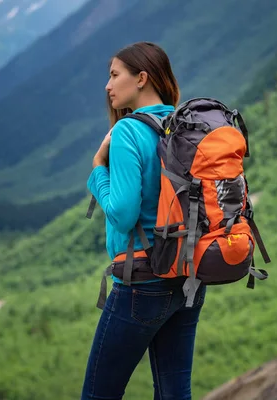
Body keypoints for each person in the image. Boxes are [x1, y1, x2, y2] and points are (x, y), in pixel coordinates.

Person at [81, 42, 207, 400]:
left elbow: (122, 215)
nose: (107, 85)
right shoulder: (186, 124)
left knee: (98, 394)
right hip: (189, 274)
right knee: (173, 392)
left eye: (114, 75)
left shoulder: (127, 132)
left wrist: (97, 170)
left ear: (141, 78)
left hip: (142, 280)